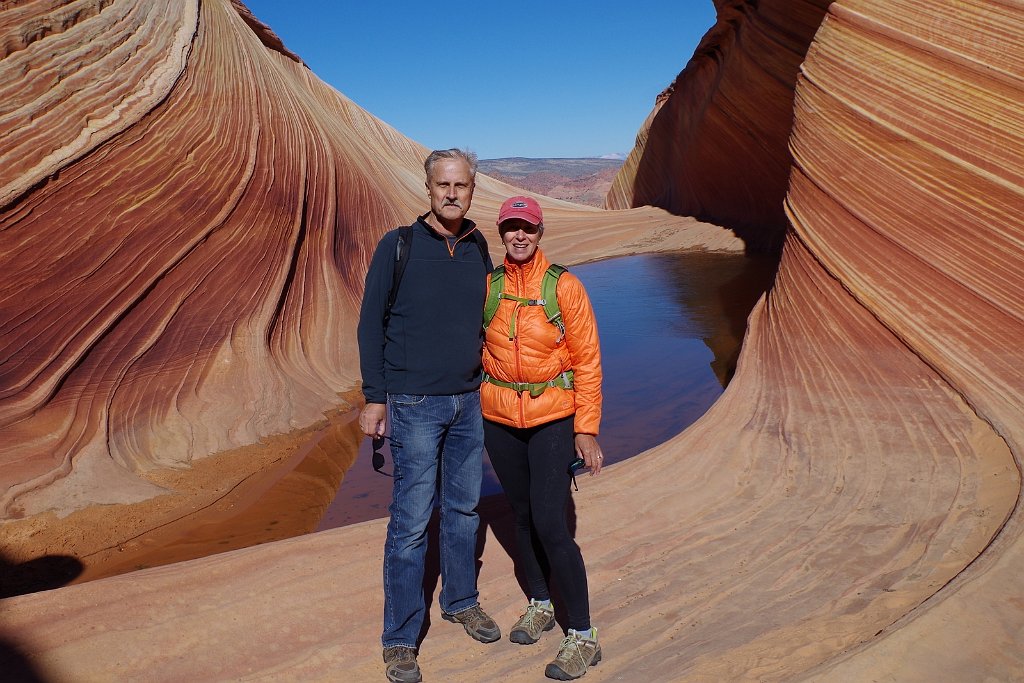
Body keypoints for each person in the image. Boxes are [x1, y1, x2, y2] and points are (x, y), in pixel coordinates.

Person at [357, 148, 500, 683]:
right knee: (412, 523)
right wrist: (375, 398)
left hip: (469, 400)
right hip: (414, 403)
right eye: (443, 184)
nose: (452, 193)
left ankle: (460, 600)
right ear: (427, 187)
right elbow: (371, 322)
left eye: (461, 185)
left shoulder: (477, 245)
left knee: (463, 511)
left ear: (471, 188)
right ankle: (399, 639)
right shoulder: (398, 246)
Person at [480, 195, 605, 680]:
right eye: (511, 227)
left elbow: (587, 360)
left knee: (553, 524)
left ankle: (584, 636)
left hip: (552, 416)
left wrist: (587, 429)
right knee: (523, 516)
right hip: (499, 419)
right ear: (501, 231)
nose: (519, 235)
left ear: (540, 231)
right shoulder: (489, 286)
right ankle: (540, 602)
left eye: (527, 228)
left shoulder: (564, 287)